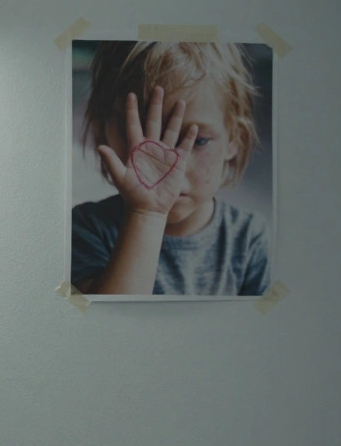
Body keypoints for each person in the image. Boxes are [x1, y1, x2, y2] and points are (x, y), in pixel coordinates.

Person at [71, 42, 271, 296]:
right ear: (102, 132)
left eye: (198, 141)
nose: (169, 169)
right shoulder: (86, 229)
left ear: (234, 139)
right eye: (139, 134)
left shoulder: (249, 238)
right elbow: (110, 319)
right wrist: (147, 214)